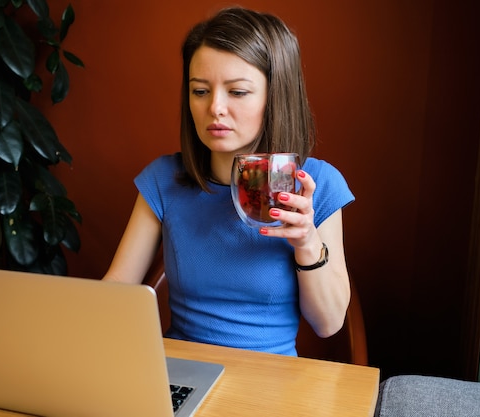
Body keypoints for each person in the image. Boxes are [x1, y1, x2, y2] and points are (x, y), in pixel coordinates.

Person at [103, 7, 354, 356]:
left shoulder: (316, 184)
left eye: (237, 92)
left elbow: (329, 324)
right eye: (200, 91)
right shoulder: (164, 180)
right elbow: (114, 293)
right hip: (179, 376)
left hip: (270, 383)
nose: (215, 108)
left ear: (275, 95)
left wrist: (307, 242)